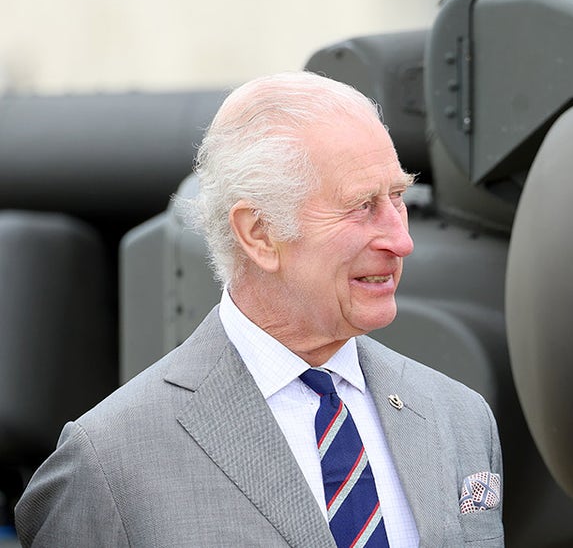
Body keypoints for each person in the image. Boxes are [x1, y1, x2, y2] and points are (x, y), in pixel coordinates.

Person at [15, 72, 504, 547]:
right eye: (361, 206)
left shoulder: (458, 417)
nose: (401, 239)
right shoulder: (107, 464)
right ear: (259, 234)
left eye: (397, 197)